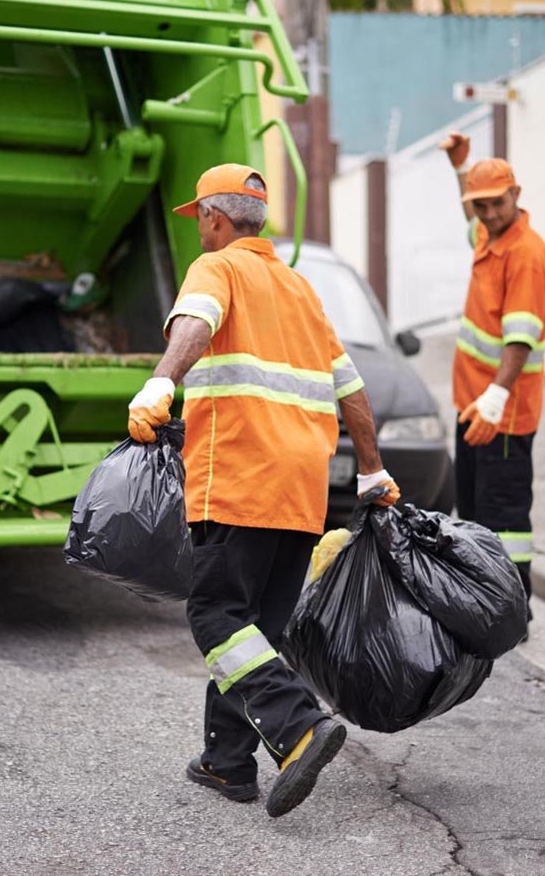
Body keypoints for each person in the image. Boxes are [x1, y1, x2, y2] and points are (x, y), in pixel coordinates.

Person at [126, 163, 399, 818]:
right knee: (254, 632)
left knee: (216, 615)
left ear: (217, 220)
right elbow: (352, 389)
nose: (199, 232)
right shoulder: (301, 291)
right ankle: (227, 765)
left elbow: (194, 323)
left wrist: (161, 383)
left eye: (200, 221)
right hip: (302, 490)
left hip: (239, 476)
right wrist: (371, 468)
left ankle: (298, 723)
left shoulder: (218, 268)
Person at [439, 133, 545, 623]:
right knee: (476, 511)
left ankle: (513, 613)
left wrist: (494, 399)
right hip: (474, 406)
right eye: (480, 205)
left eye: (495, 203)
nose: (487, 213)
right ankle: (485, 601)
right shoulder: (491, 236)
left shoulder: (526, 255)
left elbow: (520, 340)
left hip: (502, 414)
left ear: (517, 195)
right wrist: (460, 166)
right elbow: (472, 219)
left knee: (505, 518)